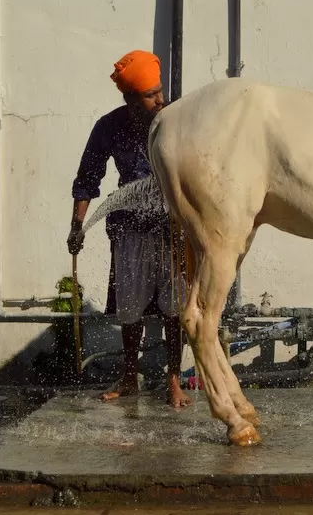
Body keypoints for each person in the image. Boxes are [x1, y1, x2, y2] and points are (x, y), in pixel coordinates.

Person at [67, 50, 191, 409]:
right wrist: (77, 227)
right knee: (130, 308)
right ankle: (128, 377)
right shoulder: (109, 126)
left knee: (174, 307)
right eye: (150, 95)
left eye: (159, 90)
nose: (160, 98)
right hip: (130, 229)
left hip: (172, 227)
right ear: (131, 99)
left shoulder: (175, 120)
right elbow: (87, 178)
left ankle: (173, 380)